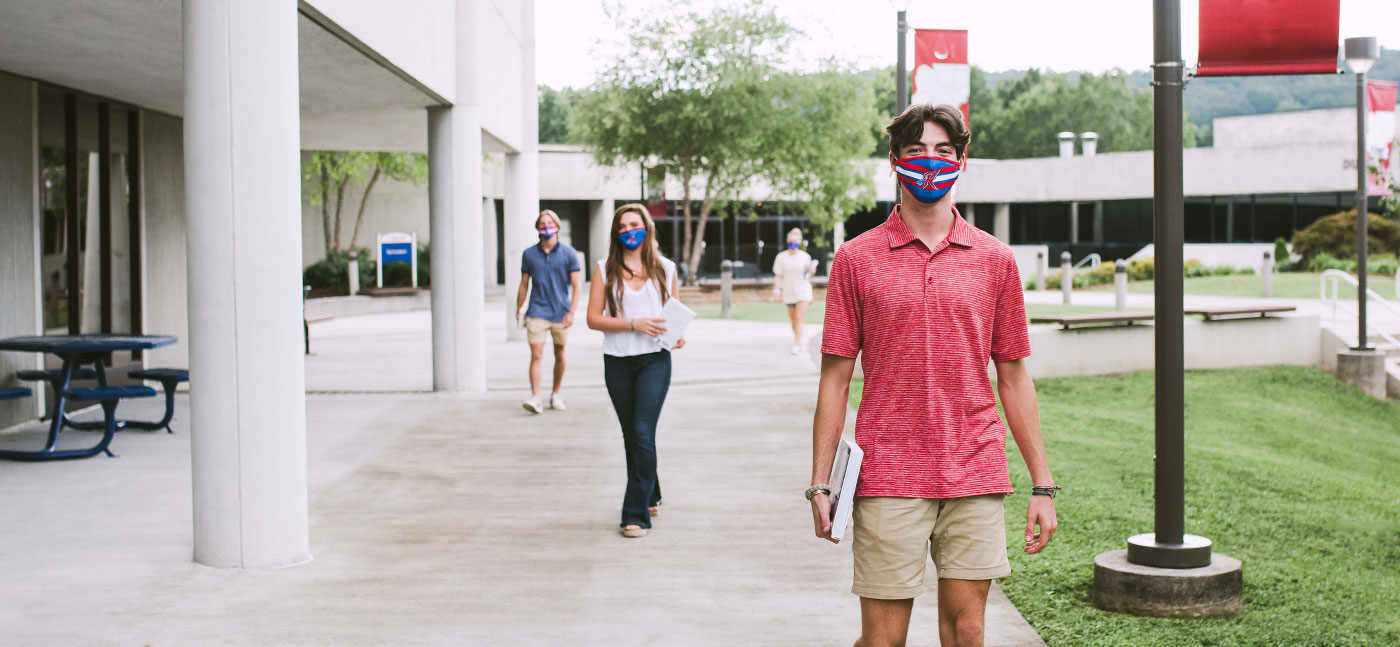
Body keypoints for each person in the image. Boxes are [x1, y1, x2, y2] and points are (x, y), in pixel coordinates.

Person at [807, 104, 1058, 647]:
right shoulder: (856, 259)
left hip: (974, 467)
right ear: (896, 161)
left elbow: (1013, 377)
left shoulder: (995, 260)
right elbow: (835, 379)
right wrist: (820, 483)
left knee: (966, 632)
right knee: (883, 640)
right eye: (917, 151)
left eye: (944, 151)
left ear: (962, 161)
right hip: (887, 473)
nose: (930, 162)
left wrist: (1042, 484)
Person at [586, 203, 685, 539]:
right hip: (617, 360)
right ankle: (651, 491)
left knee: (641, 431)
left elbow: (674, 318)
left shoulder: (666, 268)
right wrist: (633, 323)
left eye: (635, 224)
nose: (629, 231)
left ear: (646, 228)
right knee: (632, 433)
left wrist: (678, 336)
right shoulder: (604, 269)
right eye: (623, 226)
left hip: (655, 361)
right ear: (616, 233)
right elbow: (592, 318)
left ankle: (635, 513)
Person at [517, 209, 582, 414]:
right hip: (536, 311)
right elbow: (524, 284)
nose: (546, 227)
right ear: (537, 228)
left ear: (557, 227)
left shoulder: (569, 253)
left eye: (550, 222)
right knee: (536, 354)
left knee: (560, 353)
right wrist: (518, 309)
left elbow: (577, 286)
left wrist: (571, 312)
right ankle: (536, 397)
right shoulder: (529, 254)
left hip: (560, 313)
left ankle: (555, 394)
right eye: (542, 223)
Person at [772, 227, 816, 355]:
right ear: (787, 240)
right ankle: (798, 337)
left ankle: (796, 343)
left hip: (803, 291)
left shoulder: (805, 257)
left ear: (799, 242)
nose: (793, 243)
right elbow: (778, 275)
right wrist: (776, 291)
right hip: (789, 292)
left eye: (795, 241)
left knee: (799, 317)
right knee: (793, 320)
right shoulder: (781, 257)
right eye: (790, 240)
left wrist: (811, 271)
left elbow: (808, 274)